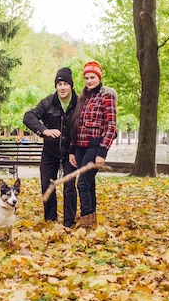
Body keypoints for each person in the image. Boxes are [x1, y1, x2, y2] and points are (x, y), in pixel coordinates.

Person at [23, 68, 78, 228]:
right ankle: (50, 220)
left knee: (69, 187)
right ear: (56, 86)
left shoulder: (79, 103)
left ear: (71, 86)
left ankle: (69, 223)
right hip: (50, 151)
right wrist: (44, 130)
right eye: (59, 84)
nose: (62, 87)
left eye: (65, 84)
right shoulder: (48, 102)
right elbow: (28, 116)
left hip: (70, 152)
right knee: (47, 184)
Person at [68, 60, 117, 230]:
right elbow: (76, 125)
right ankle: (92, 221)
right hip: (80, 147)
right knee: (89, 184)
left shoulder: (107, 96)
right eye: (87, 77)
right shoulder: (84, 98)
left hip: (94, 146)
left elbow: (111, 126)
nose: (89, 81)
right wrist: (72, 150)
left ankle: (85, 225)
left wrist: (102, 151)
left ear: (99, 77)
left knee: (82, 183)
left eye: (92, 77)